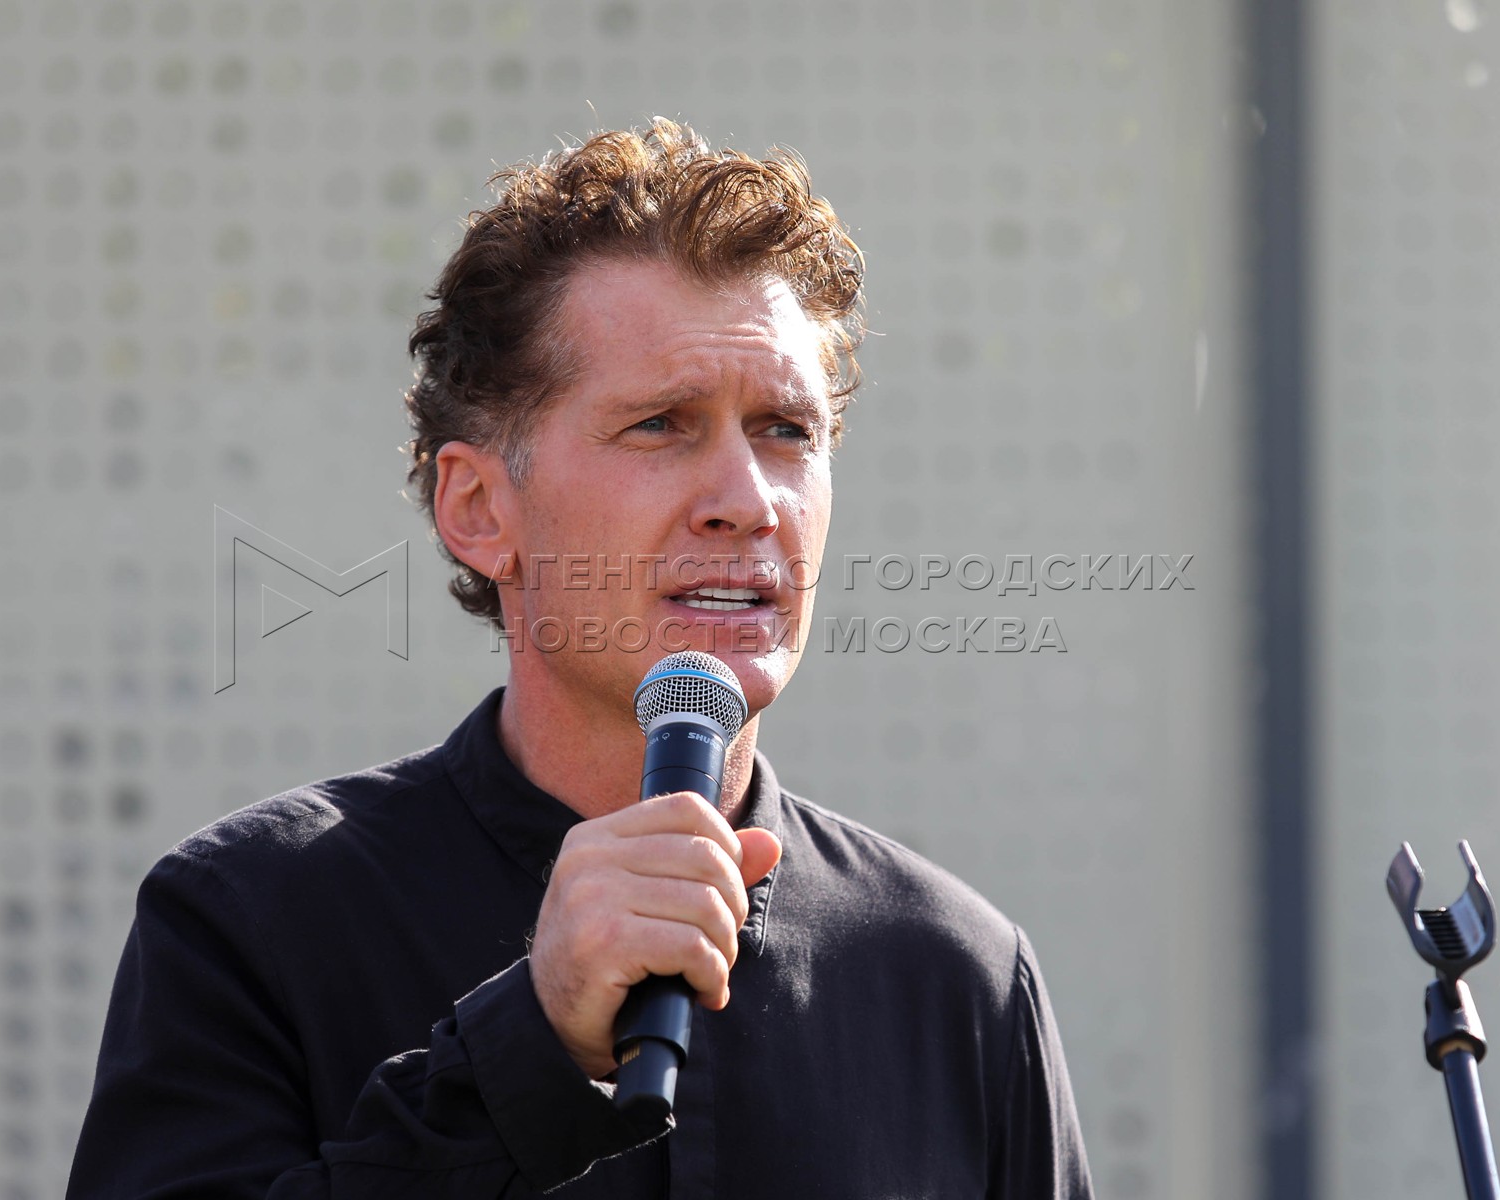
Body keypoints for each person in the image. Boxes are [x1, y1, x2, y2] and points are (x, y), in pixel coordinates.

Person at [67, 119, 1095, 1199]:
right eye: (660, 425)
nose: (747, 500)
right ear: (479, 508)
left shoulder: (958, 979)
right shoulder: (255, 923)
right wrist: (532, 1041)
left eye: (787, 431)